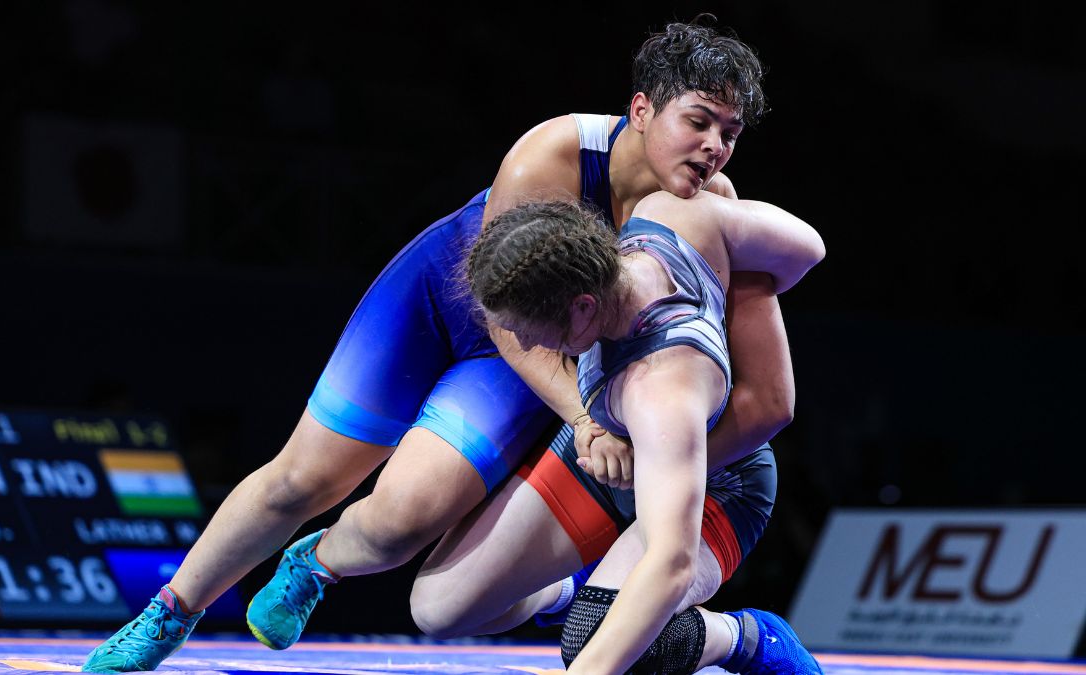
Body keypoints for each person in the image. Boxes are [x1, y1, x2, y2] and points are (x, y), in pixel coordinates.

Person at [82, 18, 791, 673]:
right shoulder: (554, 153)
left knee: (401, 522)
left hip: (537, 351)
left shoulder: (710, 207)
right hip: (448, 303)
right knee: (304, 477)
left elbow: (764, 346)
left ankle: (317, 563)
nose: (714, 147)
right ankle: (166, 614)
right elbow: (503, 312)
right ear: (641, 110)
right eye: (698, 122)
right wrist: (583, 419)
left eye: (729, 132)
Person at [456, 194, 824, 673]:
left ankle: (746, 638)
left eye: (528, 329)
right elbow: (808, 248)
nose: (524, 344)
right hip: (624, 454)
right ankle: (596, 580)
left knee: (598, 639)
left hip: (717, 480)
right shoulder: (660, 215)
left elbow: (673, 564)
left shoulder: (661, 388)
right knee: (444, 604)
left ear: (583, 306)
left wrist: (749, 295)